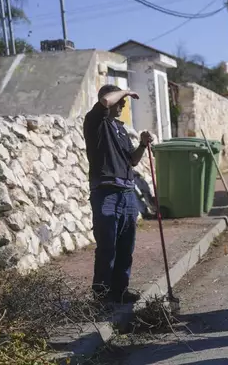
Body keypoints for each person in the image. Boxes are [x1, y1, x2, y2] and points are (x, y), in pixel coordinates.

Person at [83, 84, 153, 304]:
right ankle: (102, 296)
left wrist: (142, 144)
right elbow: (105, 102)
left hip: (127, 193)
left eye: (124, 100)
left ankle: (120, 291)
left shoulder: (120, 129)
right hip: (106, 193)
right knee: (107, 246)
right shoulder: (95, 122)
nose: (123, 104)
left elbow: (132, 160)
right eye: (121, 100)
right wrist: (127, 91)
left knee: (126, 246)